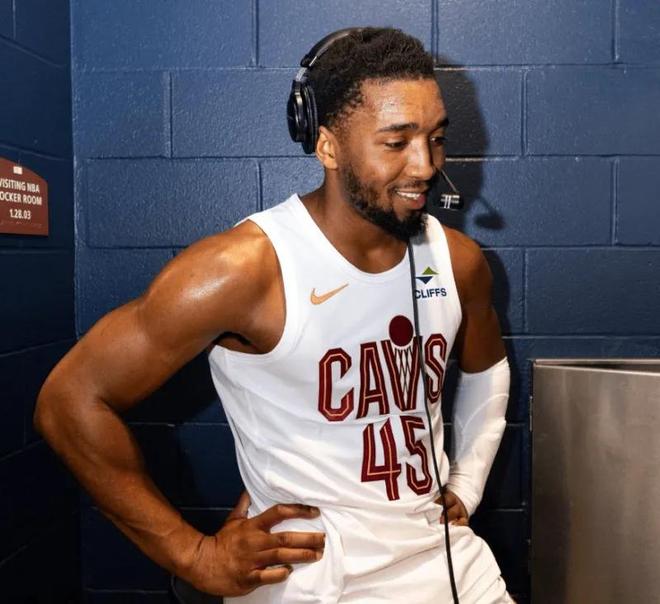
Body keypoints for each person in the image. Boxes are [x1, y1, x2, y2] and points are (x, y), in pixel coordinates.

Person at [35, 27, 513, 603]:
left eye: (436, 138)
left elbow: (488, 369)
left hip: (447, 560)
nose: (426, 165)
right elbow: (70, 402)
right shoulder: (243, 270)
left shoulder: (456, 261)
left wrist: (468, 481)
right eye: (396, 142)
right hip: (311, 578)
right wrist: (193, 555)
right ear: (327, 146)